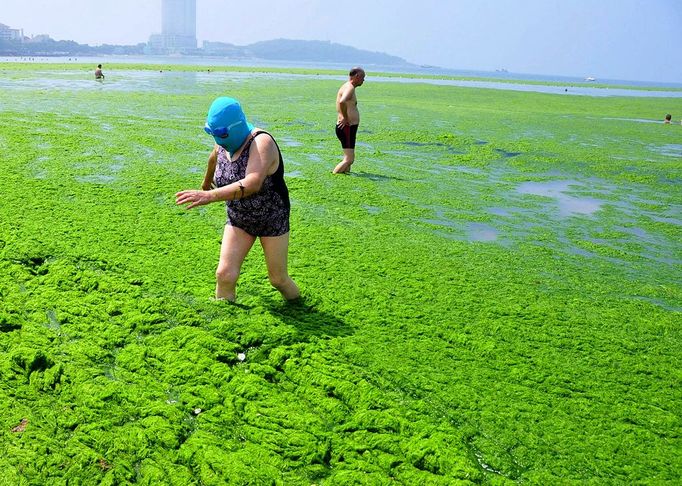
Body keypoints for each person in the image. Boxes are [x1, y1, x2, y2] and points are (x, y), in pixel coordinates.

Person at [176, 97, 300, 303]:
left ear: (235, 126)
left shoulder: (261, 143)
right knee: (225, 275)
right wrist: (206, 183)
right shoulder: (222, 143)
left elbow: (252, 183)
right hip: (239, 218)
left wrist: (209, 195)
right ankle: (224, 322)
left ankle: (300, 307)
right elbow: (214, 156)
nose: (217, 139)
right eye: (211, 132)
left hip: (271, 218)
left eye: (221, 133)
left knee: (278, 279)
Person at [332, 67, 366, 174]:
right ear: (356, 76)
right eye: (363, 77)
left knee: (348, 160)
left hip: (349, 128)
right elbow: (342, 101)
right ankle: (335, 176)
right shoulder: (349, 88)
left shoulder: (348, 86)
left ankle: (344, 177)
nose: (363, 80)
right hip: (346, 127)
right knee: (349, 159)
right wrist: (345, 117)